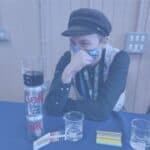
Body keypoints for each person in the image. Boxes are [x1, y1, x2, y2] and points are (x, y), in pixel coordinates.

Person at [44, 8, 130, 121]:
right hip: (81, 118)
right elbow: (52, 107)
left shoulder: (119, 59)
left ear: (104, 42)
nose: (77, 50)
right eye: (73, 43)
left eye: (84, 43)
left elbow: (102, 111)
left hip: (113, 117)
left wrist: (65, 105)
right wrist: (68, 72)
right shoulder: (67, 58)